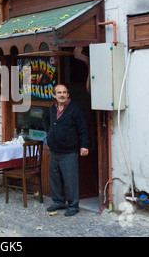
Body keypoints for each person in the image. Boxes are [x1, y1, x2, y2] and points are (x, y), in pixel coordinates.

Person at [43, 84, 89, 216]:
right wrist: (50, 133)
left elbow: (83, 128)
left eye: (64, 92)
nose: (62, 95)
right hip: (54, 151)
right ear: (54, 95)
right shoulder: (52, 109)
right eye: (59, 93)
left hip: (69, 152)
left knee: (70, 180)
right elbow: (46, 121)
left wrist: (84, 145)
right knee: (55, 178)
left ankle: (73, 206)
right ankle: (58, 202)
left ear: (68, 95)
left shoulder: (74, 109)